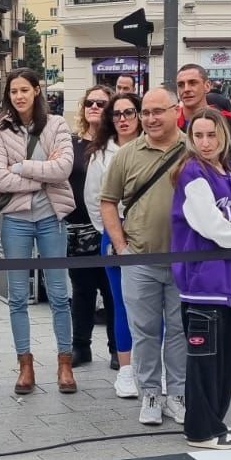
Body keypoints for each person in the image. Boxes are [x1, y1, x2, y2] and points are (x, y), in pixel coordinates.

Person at [170, 108, 231, 450]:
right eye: (198, 136)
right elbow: (213, 227)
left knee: (223, 361)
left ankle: (215, 422)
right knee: (204, 363)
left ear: (223, 136)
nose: (205, 142)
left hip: (230, 286)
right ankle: (200, 429)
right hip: (202, 285)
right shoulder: (191, 172)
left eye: (211, 135)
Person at [101, 86, 189, 426]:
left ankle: (177, 394)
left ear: (175, 110)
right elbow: (108, 201)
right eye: (146, 112)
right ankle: (150, 393)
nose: (150, 118)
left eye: (158, 111)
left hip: (184, 262)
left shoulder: (192, 149)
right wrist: (120, 246)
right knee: (146, 332)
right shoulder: (126, 154)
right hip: (139, 260)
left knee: (180, 332)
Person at [0, 66, 76, 395]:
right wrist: (44, 174)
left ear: (36, 90)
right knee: (17, 298)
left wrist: (21, 167)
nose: (19, 96)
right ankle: (25, 365)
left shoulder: (57, 125)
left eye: (25, 89)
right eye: (13, 91)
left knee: (59, 294)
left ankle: (64, 364)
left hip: (52, 216)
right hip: (15, 220)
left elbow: (64, 167)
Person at [86, 90, 140, 396]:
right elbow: (95, 199)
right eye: (116, 114)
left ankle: (152, 366)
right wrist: (111, 230)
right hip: (115, 231)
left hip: (150, 234)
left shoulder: (154, 147)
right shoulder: (100, 153)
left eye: (128, 112)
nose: (122, 119)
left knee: (153, 304)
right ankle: (126, 370)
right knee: (120, 303)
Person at [66, 87, 117, 368]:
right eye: (89, 102)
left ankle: (115, 349)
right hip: (76, 229)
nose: (94, 106)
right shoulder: (71, 143)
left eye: (101, 102)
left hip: (107, 228)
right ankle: (80, 347)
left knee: (110, 290)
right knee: (82, 291)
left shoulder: (115, 145)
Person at [177, 63, 231, 175]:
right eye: (181, 85)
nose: (186, 89)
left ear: (207, 86)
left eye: (193, 83)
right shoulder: (170, 123)